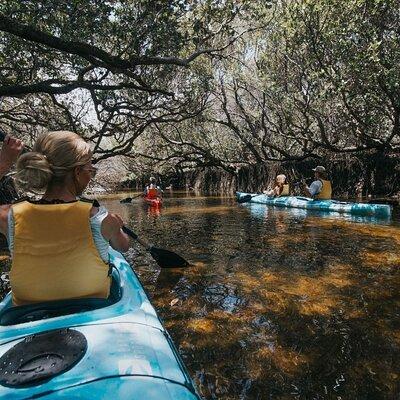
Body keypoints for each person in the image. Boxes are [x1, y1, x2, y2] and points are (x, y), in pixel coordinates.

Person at [0, 131, 130, 306]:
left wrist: (4, 162)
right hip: (93, 309)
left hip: (27, 314)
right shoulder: (98, 216)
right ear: (77, 172)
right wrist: (115, 227)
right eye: (90, 170)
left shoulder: (10, 215)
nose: (90, 177)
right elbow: (123, 246)